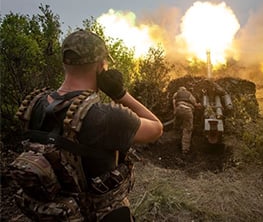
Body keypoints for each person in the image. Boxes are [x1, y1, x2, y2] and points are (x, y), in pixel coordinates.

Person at [16, 29, 163, 221]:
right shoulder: (105, 117)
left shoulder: (35, 105)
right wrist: (120, 94)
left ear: (64, 63)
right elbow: (156, 128)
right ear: (101, 66)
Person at [172, 86, 201, 154]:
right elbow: (195, 104)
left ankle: (175, 130)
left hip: (178, 108)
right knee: (188, 129)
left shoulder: (176, 93)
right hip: (187, 111)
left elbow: (173, 101)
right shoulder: (189, 94)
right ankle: (185, 149)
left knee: (177, 120)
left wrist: (175, 110)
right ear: (185, 90)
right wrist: (199, 105)